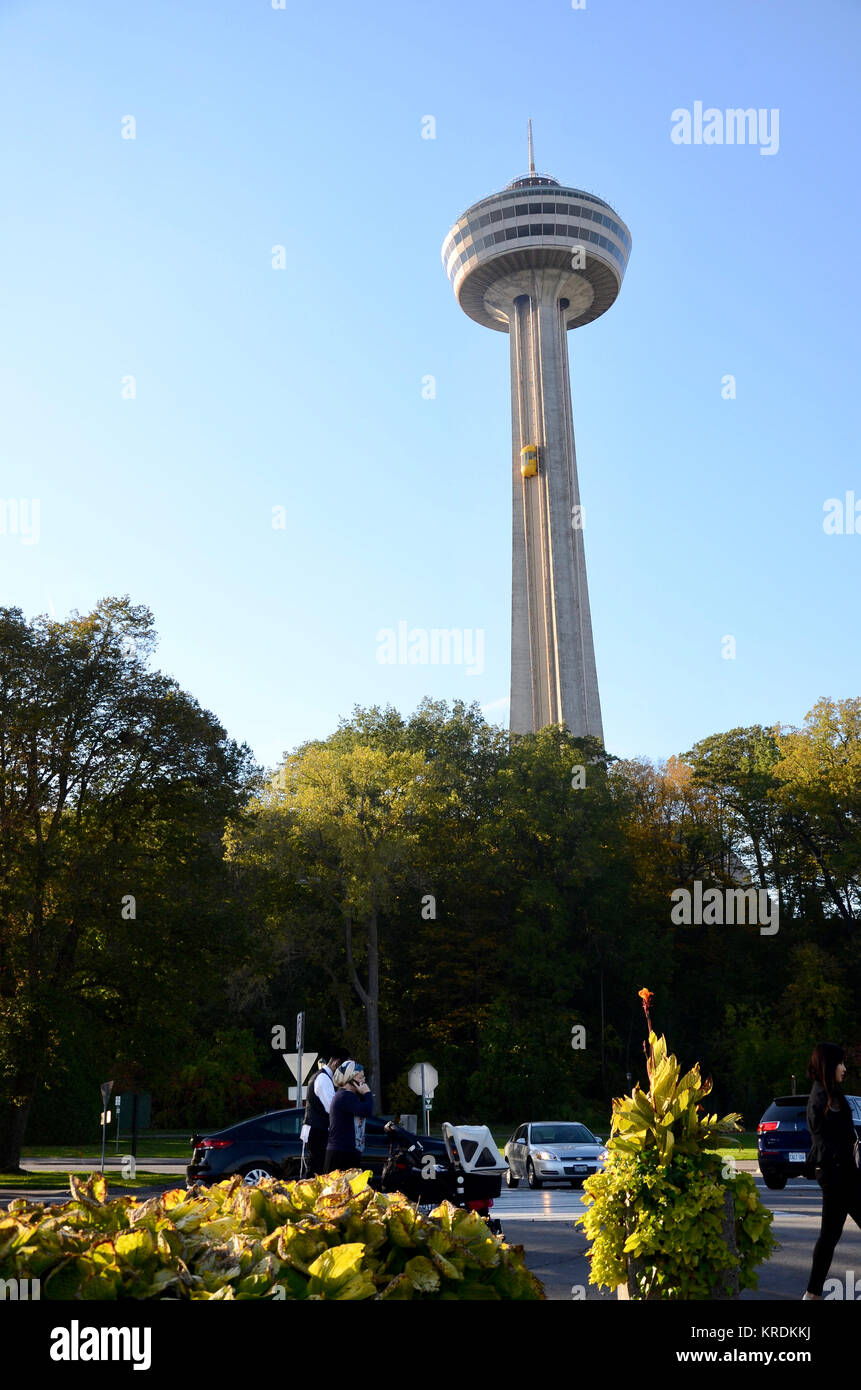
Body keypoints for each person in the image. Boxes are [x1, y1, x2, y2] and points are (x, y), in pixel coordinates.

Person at [803, 1042, 861, 1299]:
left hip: (841, 1173)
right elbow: (828, 1139)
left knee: (829, 1235)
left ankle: (812, 1293)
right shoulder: (822, 1098)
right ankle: (812, 1293)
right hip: (838, 1175)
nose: (844, 1068)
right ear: (829, 1065)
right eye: (840, 1063)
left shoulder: (830, 1095)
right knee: (828, 1235)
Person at [301, 1051, 348, 1176]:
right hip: (318, 1130)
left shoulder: (320, 1076)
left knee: (317, 1167)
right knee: (317, 1168)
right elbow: (332, 1108)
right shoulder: (323, 1078)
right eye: (343, 1069)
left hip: (315, 1128)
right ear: (336, 1063)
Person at [325, 1060, 374, 1173]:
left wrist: (382, 1128)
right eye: (361, 1078)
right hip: (341, 1152)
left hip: (347, 1151)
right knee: (340, 1190)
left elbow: (358, 1122)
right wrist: (367, 1093)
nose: (364, 1081)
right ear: (350, 1078)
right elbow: (366, 1110)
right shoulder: (345, 1096)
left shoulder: (349, 1096)